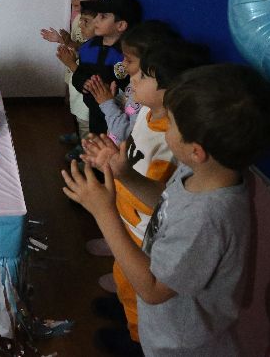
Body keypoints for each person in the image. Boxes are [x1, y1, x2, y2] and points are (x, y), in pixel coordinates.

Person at [64, 64, 270, 356]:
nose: (164, 129)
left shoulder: (208, 218)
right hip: (161, 319)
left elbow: (154, 289)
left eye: (170, 124)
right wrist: (125, 174)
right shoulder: (202, 172)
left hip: (179, 343)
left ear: (196, 150)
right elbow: (168, 200)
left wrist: (103, 212)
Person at [82, 40, 211, 348]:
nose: (132, 80)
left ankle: (137, 338)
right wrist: (112, 160)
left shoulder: (174, 138)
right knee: (124, 275)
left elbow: (162, 198)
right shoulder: (144, 113)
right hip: (127, 217)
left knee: (136, 284)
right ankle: (128, 313)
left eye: (140, 77)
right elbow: (131, 154)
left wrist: (105, 208)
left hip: (144, 229)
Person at [69, 0, 142, 154]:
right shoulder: (88, 47)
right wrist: (83, 83)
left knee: (113, 147)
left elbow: (127, 84)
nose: (95, 20)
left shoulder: (126, 55)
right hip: (94, 108)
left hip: (117, 113)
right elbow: (80, 73)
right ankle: (96, 167)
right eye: (96, 15)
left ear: (121, 25)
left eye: (102, 16)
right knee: (96, 141)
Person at [41, 0, 105, 146]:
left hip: (81, 74)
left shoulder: (96, 24)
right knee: (76, 111)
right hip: (73, 73)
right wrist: (62, 40)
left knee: (85, 116)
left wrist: (69, 45)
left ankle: (85, 149)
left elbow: (84, 48)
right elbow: (77, 44)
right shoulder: (78, 18)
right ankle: (79, 137)